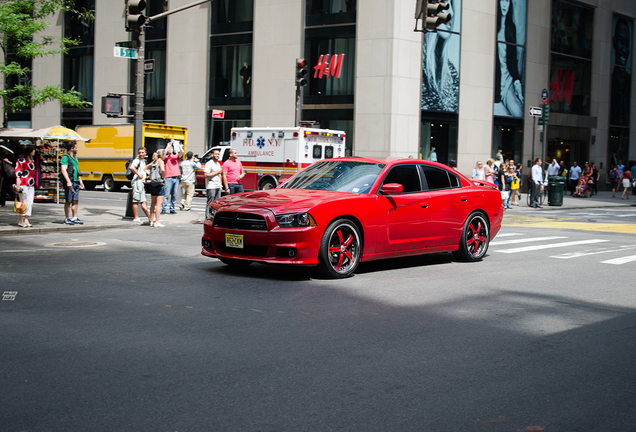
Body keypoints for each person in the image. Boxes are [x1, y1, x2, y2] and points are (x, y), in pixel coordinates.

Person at [421, 0, 459, 112]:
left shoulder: (451, 72)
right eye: (445, 3)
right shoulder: (416, 65)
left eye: (452, 5)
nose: (451, 12)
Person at [495, 0, 524, 117]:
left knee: (518, 112)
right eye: (502, 1)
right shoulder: (493, 26)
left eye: (507, 1)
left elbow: (512, 61)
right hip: (495, 82)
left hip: (507, 81)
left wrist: (517, 84)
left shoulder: (511, 27)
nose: (504, 5)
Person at [61, 142, 85, 225]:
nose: (77, 149)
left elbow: (77, 171)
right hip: (70, 182)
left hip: (75, 181)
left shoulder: (75, 158)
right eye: (76, 147)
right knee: (68, 200)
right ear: (71, 148)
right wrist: (68, 181)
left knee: (75, 200)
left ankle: (74, 217)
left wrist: (80, 181)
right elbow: (63, 170)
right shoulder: (65, 158)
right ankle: (67, 218)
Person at [14, 144, 36, 227]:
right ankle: (21, 220)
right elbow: (18, 173)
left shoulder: (32, 161)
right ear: (30, 151)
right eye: (33, 150)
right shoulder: (21, 161)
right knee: (23, 202)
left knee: (30, 202)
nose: (34, 152)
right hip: (23, 183)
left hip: (31, 184)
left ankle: (26, 219)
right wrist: (18, 184)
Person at [129, 147, 152, 223]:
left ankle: (149, 217)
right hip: (137, 181)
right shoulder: (137, 160)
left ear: (145, 153)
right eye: (139, 152)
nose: (141, 154)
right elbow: (131, 167)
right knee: (136, 200)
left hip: (141, 182)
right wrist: (138, 174)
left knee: (143, 201)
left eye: (142, 152)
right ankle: (136, 217)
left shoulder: (143, 161)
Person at [161, 141, 183, 215]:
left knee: (174, 194)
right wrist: (168, 146)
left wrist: (179, 145)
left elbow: (181, 152)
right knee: (166, 194)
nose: (170, 149)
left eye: (171, 148)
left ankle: (172, 208)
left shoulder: (175, 156)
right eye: (169, 148)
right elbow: (163, 154)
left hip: (176, 177)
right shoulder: (166, 157)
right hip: (168, 177)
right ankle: (163, 208)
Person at [147, 149, 166, 227]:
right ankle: (157, 221)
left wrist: (150, 174)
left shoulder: (154, 161)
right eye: (165, 154)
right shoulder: (160, 161)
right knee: (159, 204)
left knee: (153, 204)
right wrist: (163, 177)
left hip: (153, 183)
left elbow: (145, 168)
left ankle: (151, 221)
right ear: (161, 155)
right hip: (159, 183)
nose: (165, 156)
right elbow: (162, 169)